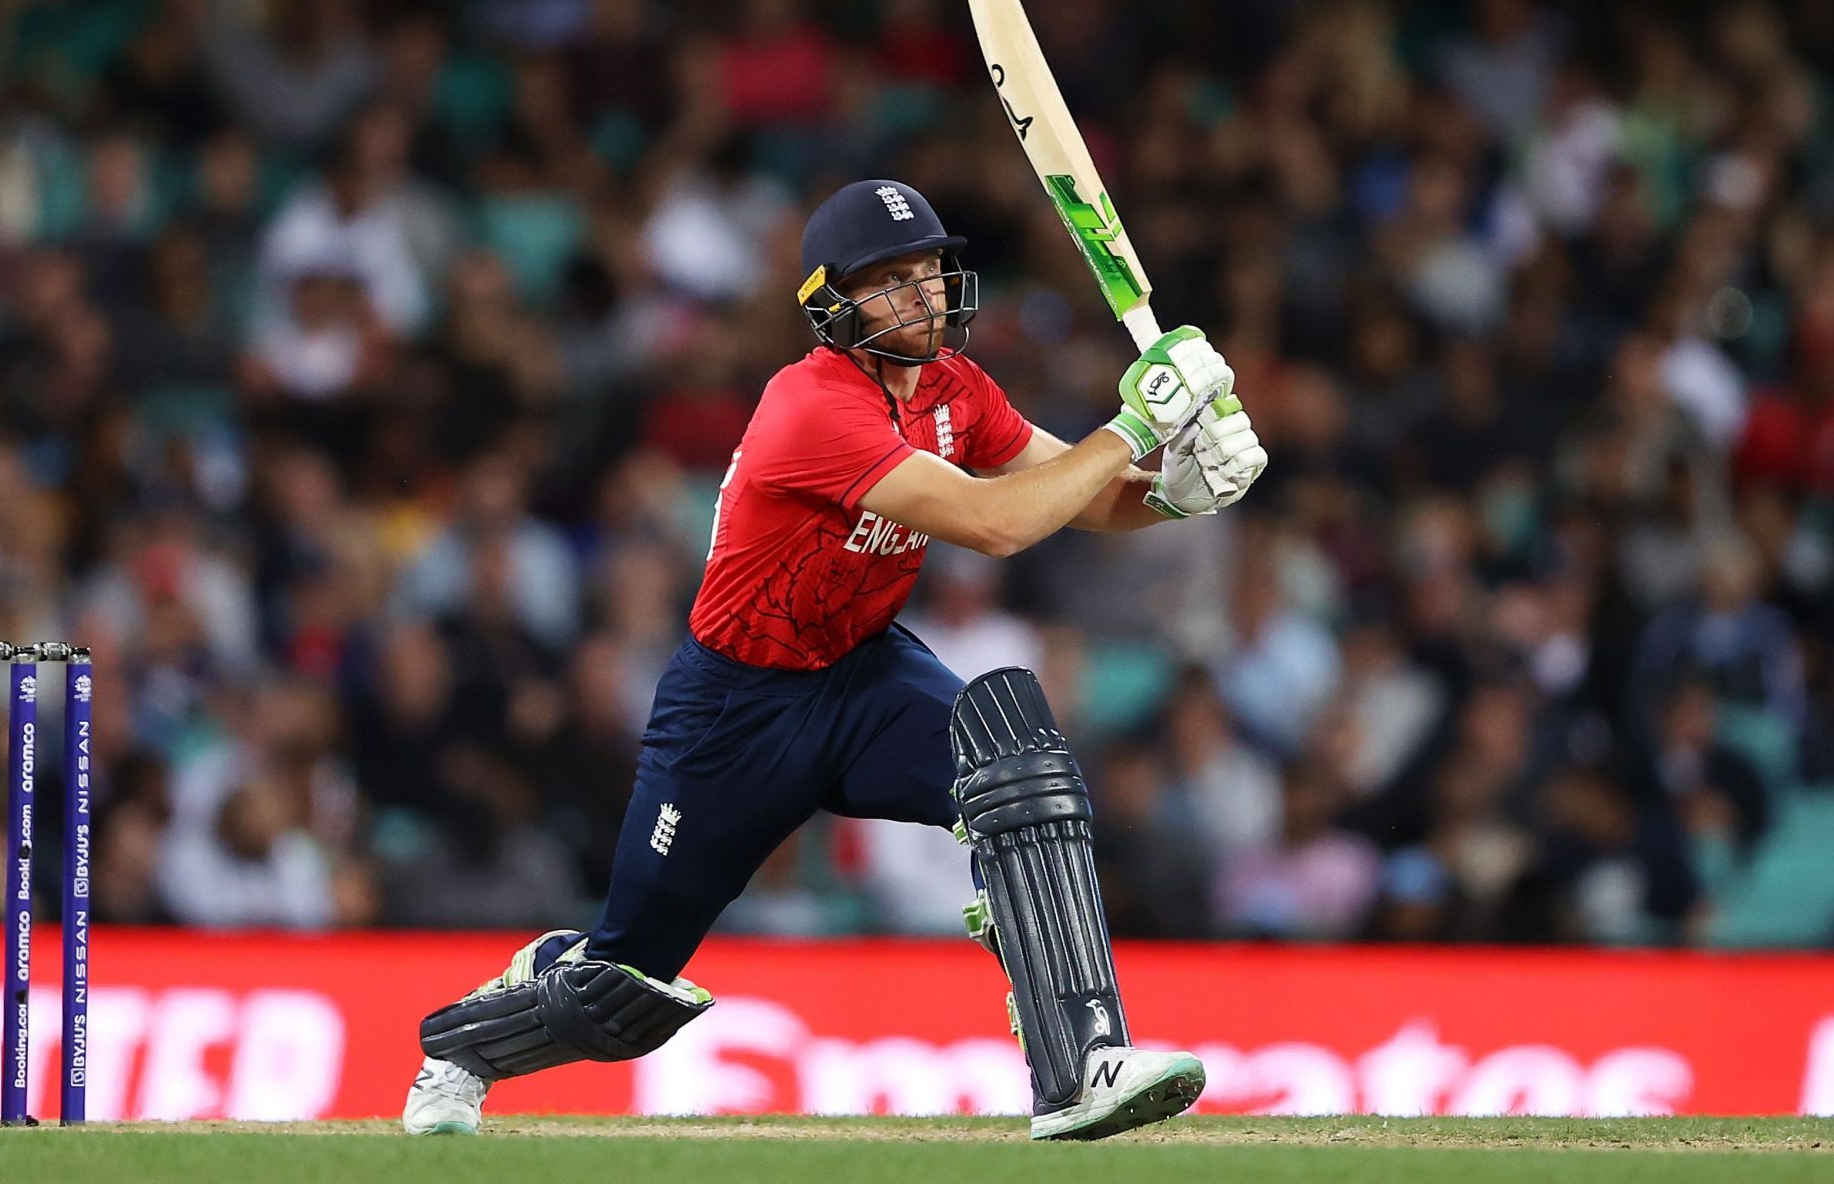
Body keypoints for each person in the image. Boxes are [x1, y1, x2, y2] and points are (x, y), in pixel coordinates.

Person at [403, 180, 1266, 1140]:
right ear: (831, 304)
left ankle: (1082, 1067)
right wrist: (1136, 428)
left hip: (861, 675)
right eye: (892, 280)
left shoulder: (957, 391)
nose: (924, 293)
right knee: (624, 989)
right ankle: (461, 1048)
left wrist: (1178, 488)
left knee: (1015, 762)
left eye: (930, 270)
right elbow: (998, 523)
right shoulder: (807, 406)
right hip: (737, 709)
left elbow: (1090, 497)